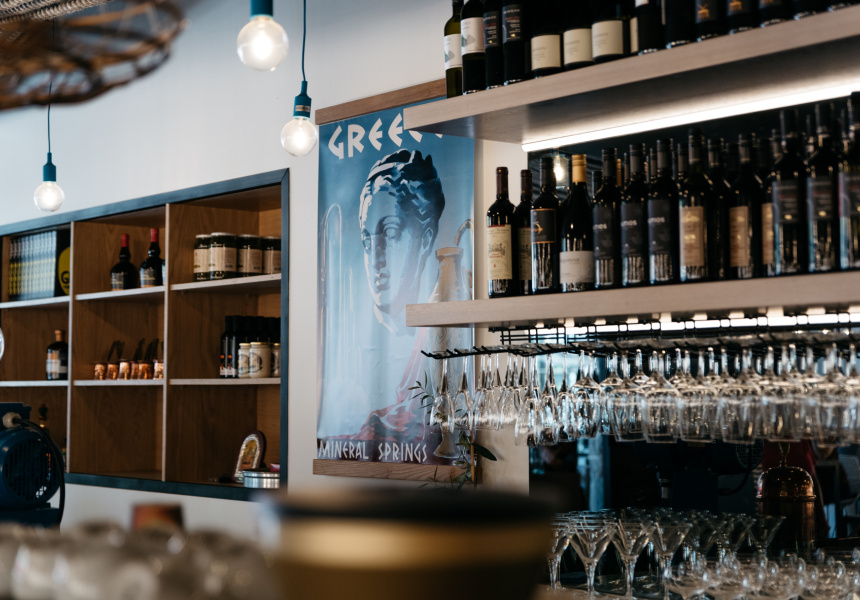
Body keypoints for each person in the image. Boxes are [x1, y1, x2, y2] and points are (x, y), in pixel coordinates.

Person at [359, 149, 445, 335]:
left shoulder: (443, 320)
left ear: (425, 239)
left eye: (390, 232)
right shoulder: (353, 334)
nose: (375, 260)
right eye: (367, 241)